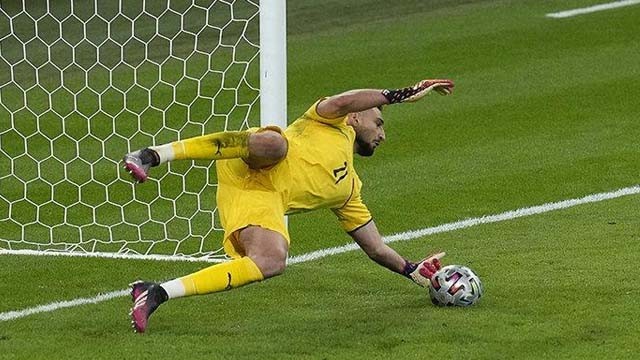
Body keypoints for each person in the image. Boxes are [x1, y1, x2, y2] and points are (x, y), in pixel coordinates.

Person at [124, 78, 455, 333]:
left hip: (258, 197)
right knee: (276, 142)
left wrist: (412, 270)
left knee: (271, 261)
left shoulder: (348, 190)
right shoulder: (329, 121)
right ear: (355, 118)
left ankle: (155, 293)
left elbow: (376, 247)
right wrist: (398, 94)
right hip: (253, 160)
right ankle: (151, 155)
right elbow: (343, 99)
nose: (383, 134)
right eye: (379, 123)